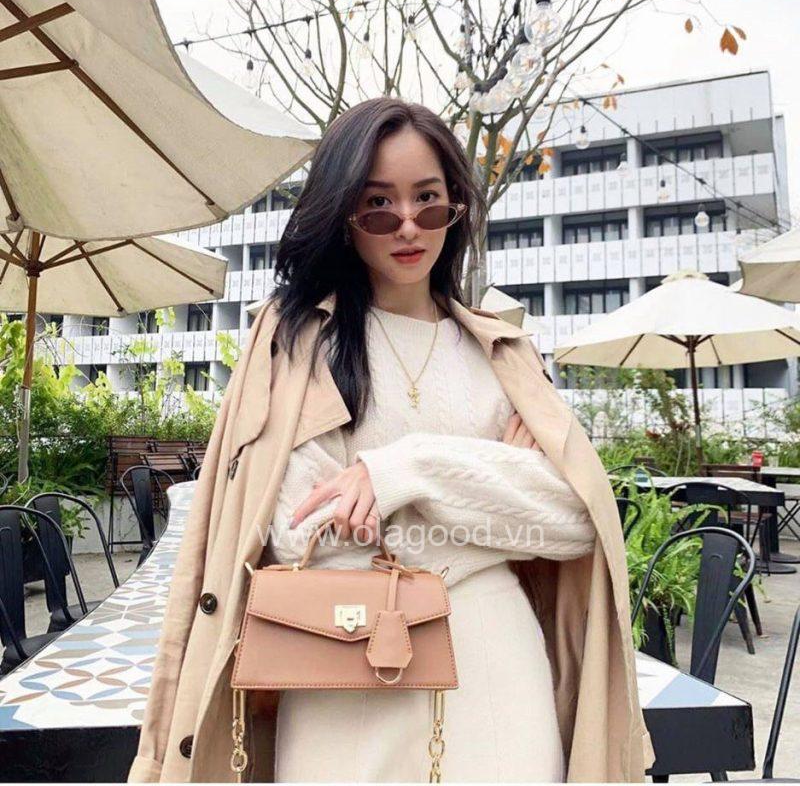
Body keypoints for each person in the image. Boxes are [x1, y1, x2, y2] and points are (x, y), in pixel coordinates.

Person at [128, 97, 654, 784]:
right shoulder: (300, 345)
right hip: (341, 667)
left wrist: (406, 472)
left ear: (455, 207)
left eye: (428, 201)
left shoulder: (502, 354)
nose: (408, 224)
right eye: (379, 204)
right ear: (344, 215)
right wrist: (495, 497)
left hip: (497, 674)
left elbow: (573, 521)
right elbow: (301, 532)